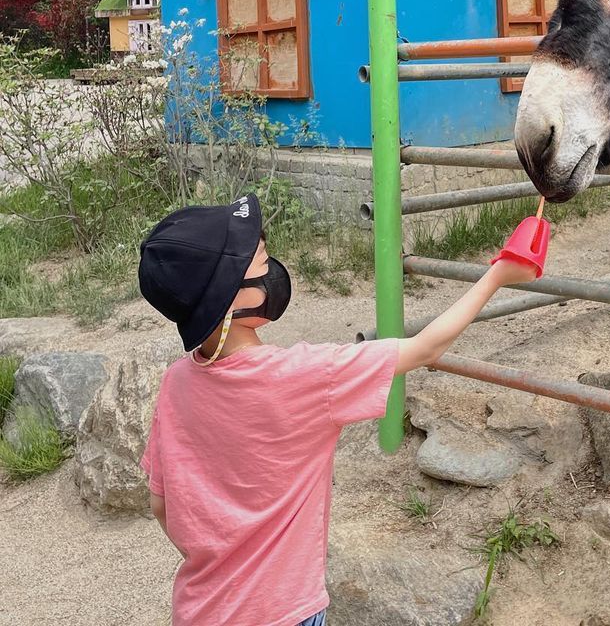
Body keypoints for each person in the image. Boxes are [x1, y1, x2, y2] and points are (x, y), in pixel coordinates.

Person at [137, 192, 542, 626]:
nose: (274, 271)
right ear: (229, 297)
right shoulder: (307, 377)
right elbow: (426, 347)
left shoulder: (175, 383)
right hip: (284, 611)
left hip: (200, 609)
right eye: (262, 261)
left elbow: (163, 505)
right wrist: (498, 274)